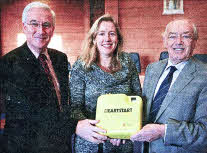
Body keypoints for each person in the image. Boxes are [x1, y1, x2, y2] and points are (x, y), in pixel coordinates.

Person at [0, 2, 77, 153]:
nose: (41, 31)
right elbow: (29, 113)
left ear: (53, 29)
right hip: (25, 146)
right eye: (34, 24)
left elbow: (63, 103)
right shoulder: (9, 62)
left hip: (60, 144)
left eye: (46, 25)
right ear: (24, 27)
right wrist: (74, 126)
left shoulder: (60, 58)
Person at [130, 19, 207, 153]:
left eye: (186, 36)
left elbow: (204, 132)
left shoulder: (204, 75)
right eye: (172, 36)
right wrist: (122, 132)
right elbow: (142, 113)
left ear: (194, 41)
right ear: (165, 41)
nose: (178, 41)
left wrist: (163, 131)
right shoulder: (152, 69)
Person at [69, 14, 142, 153]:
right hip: (91, 142)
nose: (107, 39)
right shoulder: (81, 66)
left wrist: (122, 130)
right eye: (101, 34)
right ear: (94, 39)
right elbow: (74, 107)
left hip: (122, 141)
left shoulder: (128, 62)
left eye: (112, 34)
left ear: (118, 39)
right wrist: (94, 129)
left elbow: (137, 100)